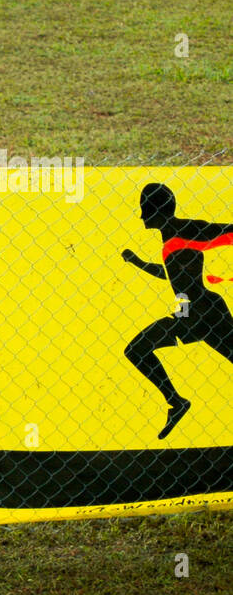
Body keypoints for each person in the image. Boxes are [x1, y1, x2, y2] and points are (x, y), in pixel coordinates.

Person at [122, 182, 233, 440]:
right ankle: (176, 402)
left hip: (204, 311)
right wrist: (138, 262)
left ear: (153, 211)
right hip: (191, 312)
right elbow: (175, 276)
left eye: (144, 210)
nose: (141, 216)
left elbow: (223, 230)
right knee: (136, 350)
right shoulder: (170, 235)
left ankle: (176, 402)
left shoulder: (186, 228)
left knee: (136, 350)